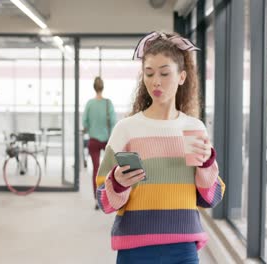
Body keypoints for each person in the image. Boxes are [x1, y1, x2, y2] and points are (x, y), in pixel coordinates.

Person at [95, 32, 225, 263]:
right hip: (135, 249)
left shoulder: (194, 128)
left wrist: (206, 165)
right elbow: (103, 200)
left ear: (182, 77)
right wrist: (117, 182)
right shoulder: (126, 129)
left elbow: (211, 197)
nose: (156, 81)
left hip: (184, 249)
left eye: (165, 73)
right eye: (149, 73)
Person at [82, 76, 117, 209]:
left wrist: (91, 128)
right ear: (103, 87)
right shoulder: (109, 103)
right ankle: (109, 197)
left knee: (96, 169)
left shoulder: (90, 104)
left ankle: (97, 200)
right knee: (109, 170)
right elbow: (113, 122)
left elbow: (84, 122)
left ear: (94, 87)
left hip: (93, 140)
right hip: (107, 140)